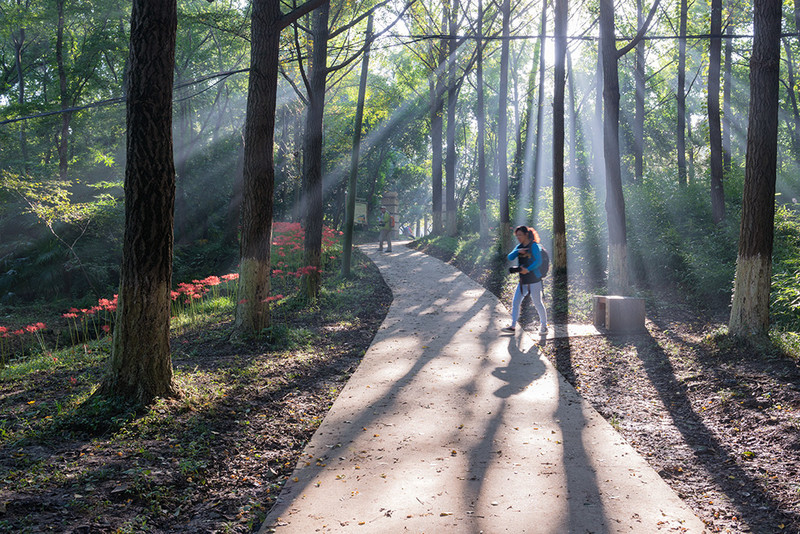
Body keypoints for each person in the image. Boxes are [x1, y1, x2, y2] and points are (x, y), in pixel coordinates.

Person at [502, 225, 548, 335]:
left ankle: (544, 326)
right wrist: (518, 251)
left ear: (526, 234)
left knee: (537, 303)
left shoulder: (534, 246)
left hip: (534, 279)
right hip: (523, 280)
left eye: (520, 235)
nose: (518, 237)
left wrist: (527, 269)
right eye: (517, 235)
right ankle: (513, 326)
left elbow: (538, 261)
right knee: (516, 301)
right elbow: (509, 257)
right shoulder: (519, 246)